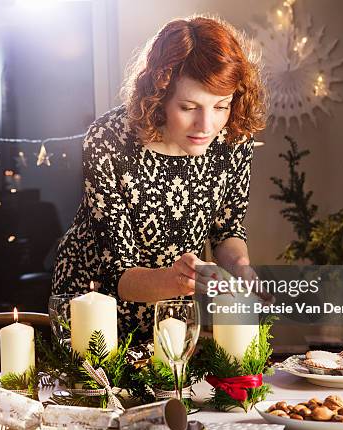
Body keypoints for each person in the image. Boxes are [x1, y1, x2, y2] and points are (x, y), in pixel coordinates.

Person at [51, 15, 267, 341]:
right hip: (93, 309)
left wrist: (239, 267)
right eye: (189, 106)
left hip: (171, 313)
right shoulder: (109, 140)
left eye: (221, 106)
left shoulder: (233, 138)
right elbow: (119, 274)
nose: (206, 125)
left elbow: (227, 228)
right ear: (160, 94)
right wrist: (181, 280)